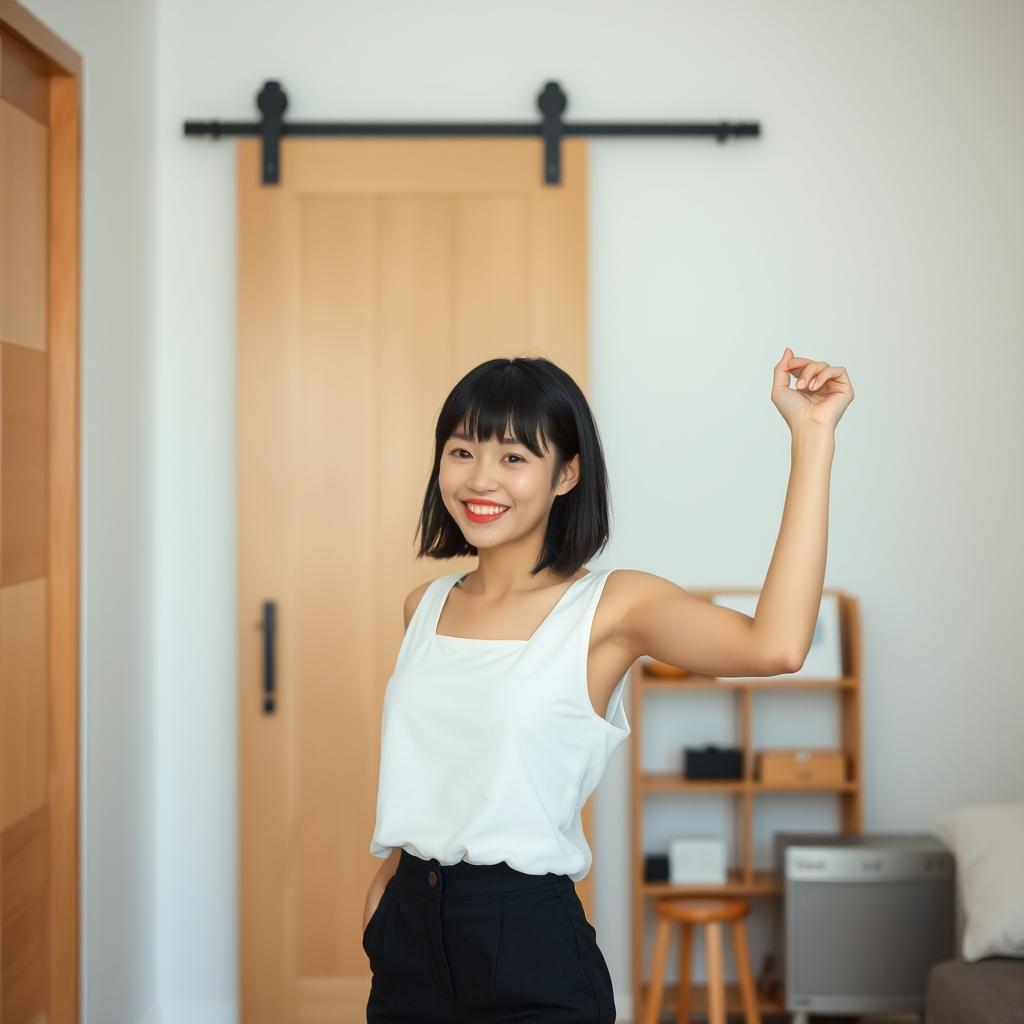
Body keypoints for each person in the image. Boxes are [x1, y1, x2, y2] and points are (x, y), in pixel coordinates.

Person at [361, 350, 854, 1022]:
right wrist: (385, 911)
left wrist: (813, 437)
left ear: (566, 473)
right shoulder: (425, 605)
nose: (480, 477)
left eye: (513, 457)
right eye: (461, 450)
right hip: (407, 934)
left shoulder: (611, 609)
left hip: (526, 940)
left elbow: (776, 646)